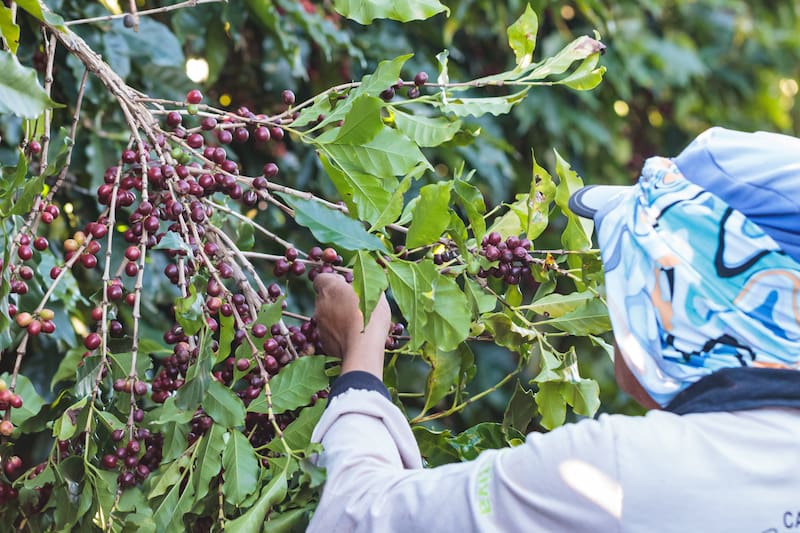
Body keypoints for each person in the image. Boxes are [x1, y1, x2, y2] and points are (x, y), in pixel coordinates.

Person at [307, 127, 800, 532]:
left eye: (629, 262)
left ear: (681, 295)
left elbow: (359, 517)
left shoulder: (619, 474)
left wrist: (361, 360)